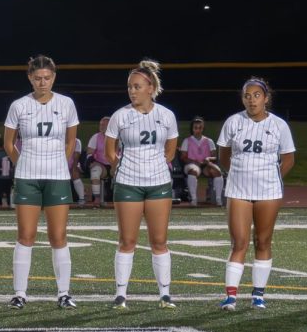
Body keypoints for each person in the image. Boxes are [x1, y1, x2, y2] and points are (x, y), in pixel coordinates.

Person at [3, 55, 80, 310]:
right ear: (30, 78)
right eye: (37, 78)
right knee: (26, 235)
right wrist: (22, 163)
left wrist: (60, 162)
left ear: (54, 77)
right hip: (27, 177)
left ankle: (64, 293)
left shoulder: (67, 104)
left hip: (57, 177)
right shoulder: (18, 106)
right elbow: (8, 143)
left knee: (58, 236)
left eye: (47, 78)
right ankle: (19, 293)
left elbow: (71, 142)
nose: (42, 82)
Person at [215, 78, 295, 310]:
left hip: (268, 189)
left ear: (266, 98)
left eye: (256, 95)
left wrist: (272, 177)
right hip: (238, 188)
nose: (251, 100)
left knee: (263, 240)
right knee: (239, 242)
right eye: (247, 96)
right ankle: (231, 296)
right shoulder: (233, 122)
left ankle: (258, 295)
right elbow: (224, 155)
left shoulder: (279, 125)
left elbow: (288, 159)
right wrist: (239, 173)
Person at [105, 59, 178, 310]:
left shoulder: (166, 115)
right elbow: (110, 152)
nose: (132, 91)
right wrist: (126, 169)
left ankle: (165, 294)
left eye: (137, 87)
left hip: (158, 183)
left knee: (159, 240)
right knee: (127, 240)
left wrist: (154, 166)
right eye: (130, 87)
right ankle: (121, 294)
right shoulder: (120, 116)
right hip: (128, 183)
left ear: (150, 88)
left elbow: (170, 151)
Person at [180, 117, 223, 206]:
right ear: (192, 128)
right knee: (193, 171)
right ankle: (194, 199)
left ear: (203, 128)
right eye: (196, 127)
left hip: (205, 165)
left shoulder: (209, 141)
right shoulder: (187, 141)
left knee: (217, 172)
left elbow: (214, 156)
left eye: (200, 127)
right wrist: (195, 162)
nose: (198, 130)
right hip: (192, 164)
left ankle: (218, 199)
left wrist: (208, 159)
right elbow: (183, 157)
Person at [84, 116, 111, 207]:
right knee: (95, 171)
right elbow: (89, 153)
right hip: (101, 165)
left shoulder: (118, 137)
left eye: (104, 125)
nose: (101, 126)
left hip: (115, 164)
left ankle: (121, 199)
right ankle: (97, 199)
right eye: (101, 124)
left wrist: (116, 165)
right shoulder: (95, 137)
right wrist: (92, 160)